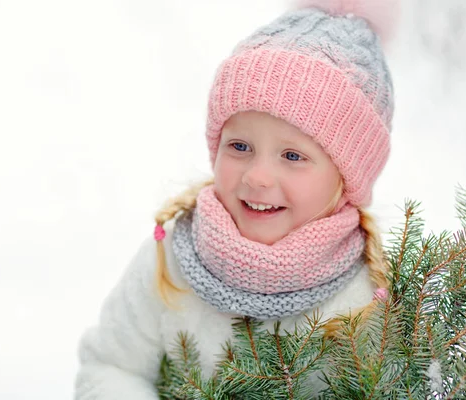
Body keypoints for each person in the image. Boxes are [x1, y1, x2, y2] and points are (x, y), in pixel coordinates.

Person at [75, 0, 397, 398]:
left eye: (293, 156)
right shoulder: (173, 257)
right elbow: (111, 365)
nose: (257, 176)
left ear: (347, 177)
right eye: (240, 146)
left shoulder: (367, 297)